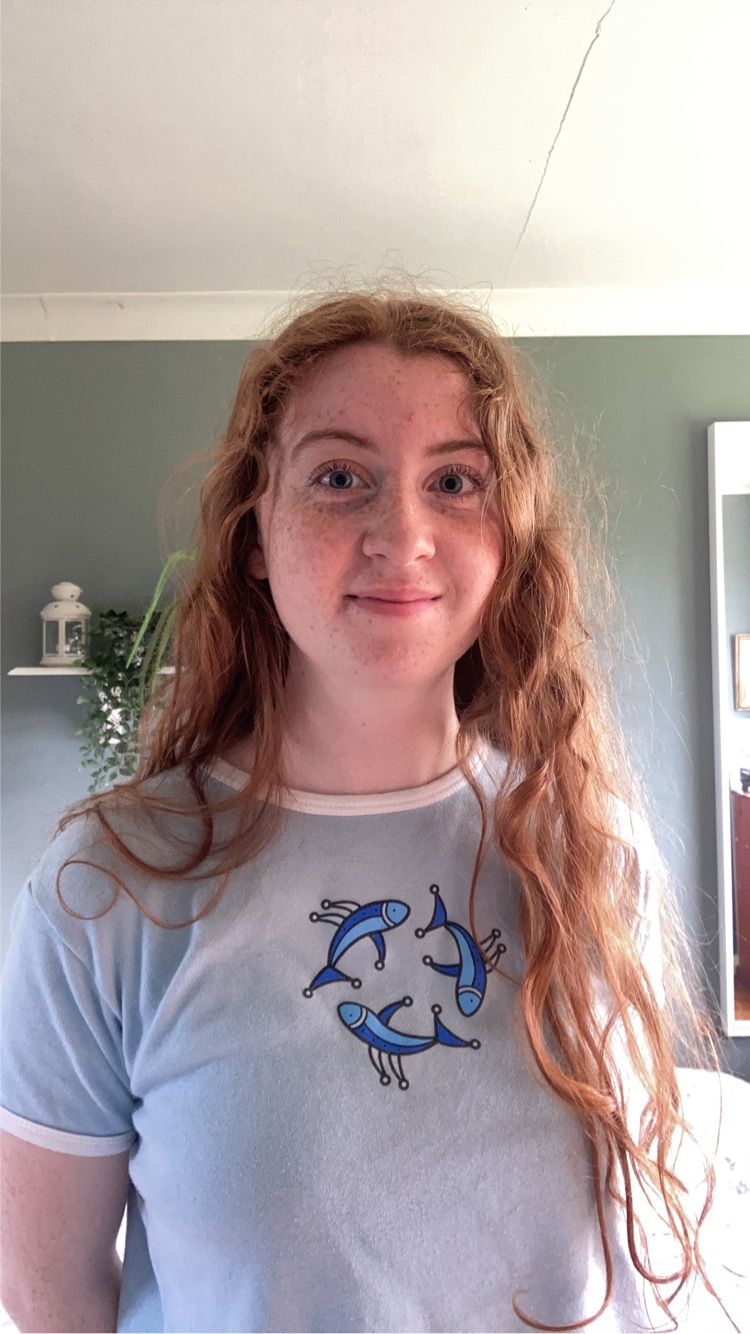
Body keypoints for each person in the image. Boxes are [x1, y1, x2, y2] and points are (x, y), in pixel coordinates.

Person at [0, 283, 735, 1333]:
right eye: (340, 477)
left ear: (508, 536)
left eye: (455, 481)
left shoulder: (590, 851)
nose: (403, 531)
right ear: (256, 532)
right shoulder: (105, 886)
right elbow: (51, 1291)